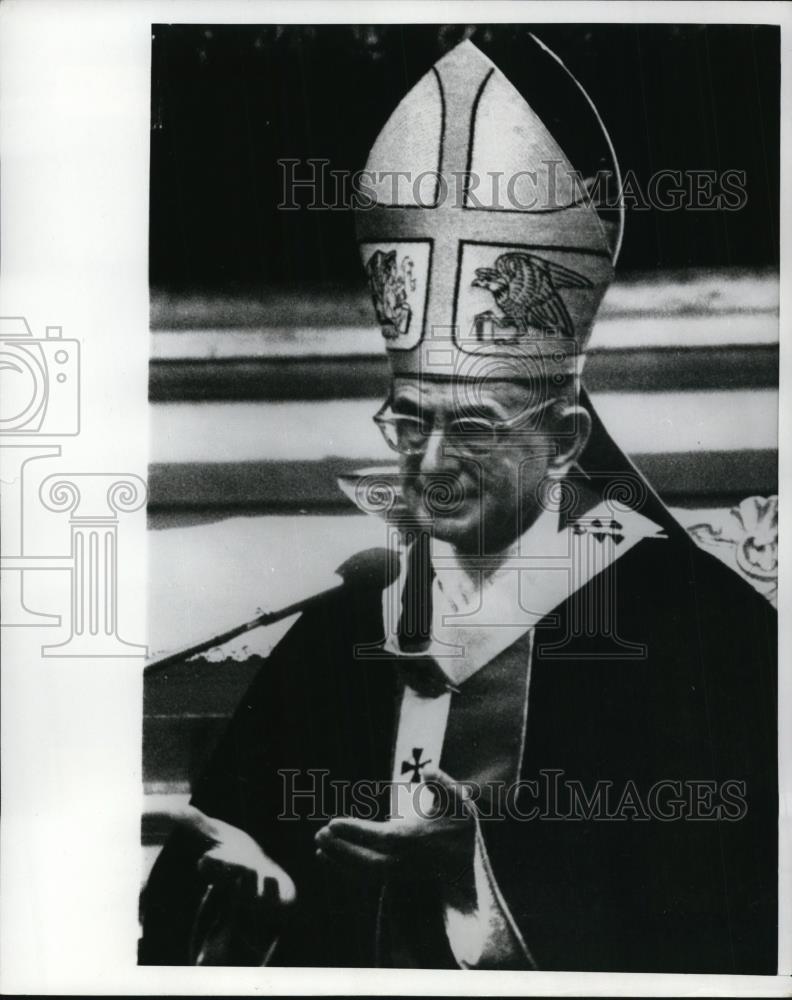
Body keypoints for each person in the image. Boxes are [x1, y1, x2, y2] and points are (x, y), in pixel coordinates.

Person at [140, 38, 777, 973]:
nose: (430, 463)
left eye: (472, 427)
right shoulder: (340, 630)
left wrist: (475, 890)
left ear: (562, 442)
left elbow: (736, 935)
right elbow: (222, 889)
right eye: (407, 424)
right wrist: (245, 918)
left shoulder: (694, 630)